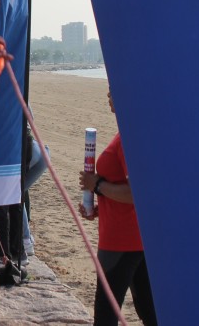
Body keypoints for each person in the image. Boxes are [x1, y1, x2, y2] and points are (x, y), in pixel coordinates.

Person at [79, 90, 158, 326]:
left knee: (106, 314)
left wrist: (97, 186)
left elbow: (137, 194)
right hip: (134, 237)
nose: (108, 95)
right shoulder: (131, 132)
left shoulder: (130, 138)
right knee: (149, 310)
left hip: (121, 241)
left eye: (113, 92)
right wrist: (100, 207)